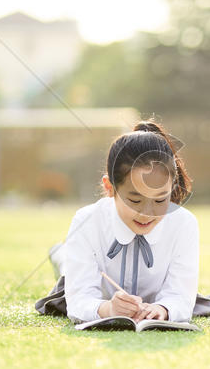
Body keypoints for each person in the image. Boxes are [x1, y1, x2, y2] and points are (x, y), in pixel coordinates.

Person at [35, 120, 199, 323]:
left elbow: (181, 297)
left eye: (160, 200)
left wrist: (162, 309)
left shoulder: (184, 224)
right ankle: (60, 253)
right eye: (135, 200)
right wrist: (107, 308)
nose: (147, 213)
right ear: (110, 187)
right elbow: (79, 300)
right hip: (88, 285)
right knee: (67, 270)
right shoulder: (86, 221)